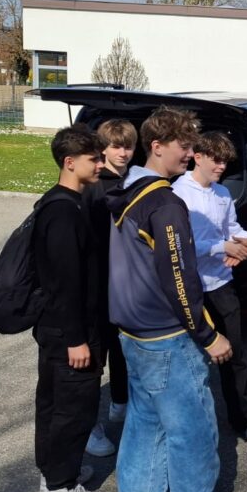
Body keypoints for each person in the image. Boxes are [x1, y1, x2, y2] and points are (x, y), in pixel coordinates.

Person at [105, 106, 233, 492]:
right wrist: (208, 335)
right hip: (167, 336)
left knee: (144, 426)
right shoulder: (165, 203)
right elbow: (180, 277)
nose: (190, 154)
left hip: (132, 333)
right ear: (156, 146)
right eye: (184, 146)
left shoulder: (126, 189)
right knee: (191, 432)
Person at [33, 124, 112, 492]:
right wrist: (76, 339)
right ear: (69, 162)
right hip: (70, 333)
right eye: (93, 159)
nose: (100, 165)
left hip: (59, 330)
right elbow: (64, 283)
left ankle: (52, 476)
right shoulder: (63, 212)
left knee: (53, 406)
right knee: (73, 411)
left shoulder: (64, 202)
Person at [172, 132, 247, 444]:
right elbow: (180, 245)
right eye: (216, 160)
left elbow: (232, 229)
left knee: (235, 354)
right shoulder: (177, 193)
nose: (222, 166)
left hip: (221, 284)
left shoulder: (223, 193)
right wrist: (221, 247)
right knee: (189, 359)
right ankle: (187, 424)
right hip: (189, 287)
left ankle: (245, 417)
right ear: (197, 157)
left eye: (225, 161)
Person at [81, 118, 137, 459]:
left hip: (123, 282)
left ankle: (120, 401)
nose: (123, 153)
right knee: (94, 355)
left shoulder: (132, 181)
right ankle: (88, 425)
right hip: (97, 284)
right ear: (102, 149)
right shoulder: (94, 186)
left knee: (121, 346)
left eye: (128, 146)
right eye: (116, 146)